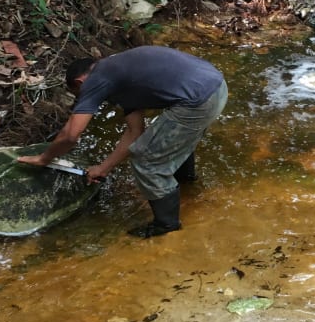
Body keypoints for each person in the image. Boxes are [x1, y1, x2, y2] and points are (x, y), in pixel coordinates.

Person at [17, 45, 228, 238]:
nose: (85, 99)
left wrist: (44, 158)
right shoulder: (120, 75)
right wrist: (103, 168)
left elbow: (71, 135)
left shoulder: (97, 78)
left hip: (198, 100)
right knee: (168, 141)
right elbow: (135, 131)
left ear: (80, 82)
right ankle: (187, 183)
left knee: (147, 161)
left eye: (80, 95)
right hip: (215, 85)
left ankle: (166, 226)